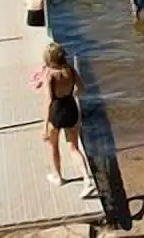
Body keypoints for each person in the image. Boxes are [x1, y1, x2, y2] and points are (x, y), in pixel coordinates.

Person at [40, 42, 97, 197]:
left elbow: (48, 101)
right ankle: (87, 179)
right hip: (71, 107)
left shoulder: (50, 74)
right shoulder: (70, 70)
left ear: (49, 59)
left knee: (53, 146)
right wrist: (71, 94)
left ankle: (58, 177)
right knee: (74, 148)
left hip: (57, 111)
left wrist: (44, 127)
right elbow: (81, 89)